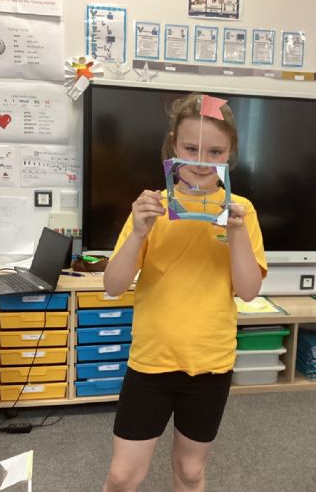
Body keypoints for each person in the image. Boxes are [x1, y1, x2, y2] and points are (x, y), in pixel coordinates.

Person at [102, 93, 267, 492]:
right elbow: (112, 286)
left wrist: (237, 234)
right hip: (151, 361)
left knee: (190, 471)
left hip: (210, 363)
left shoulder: (241, 211)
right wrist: (138, 233)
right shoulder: (151, 208)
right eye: (191, 149)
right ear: (174, 146)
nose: (201, 161)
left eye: (215, 152)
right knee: (123, 475)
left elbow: (248, 291)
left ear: (229, 154)